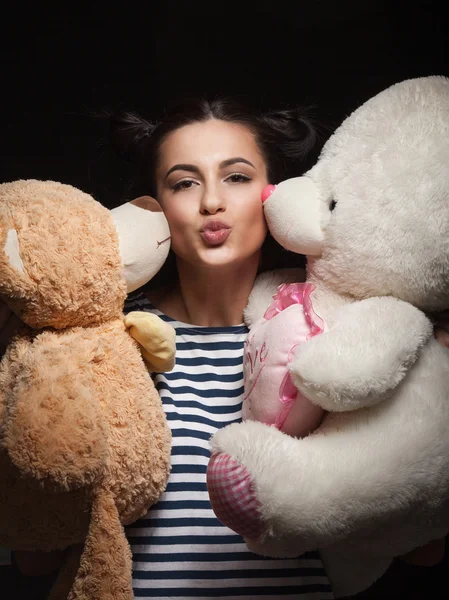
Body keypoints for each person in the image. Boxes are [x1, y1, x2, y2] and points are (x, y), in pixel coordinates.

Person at [1, 96, 448, 599]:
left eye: (236, 177)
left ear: (274, 193)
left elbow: (422, 548)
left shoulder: (343, 334)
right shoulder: (104, 340)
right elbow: (35, 556)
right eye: (184, 182)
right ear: (155, 205)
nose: (211, 201)